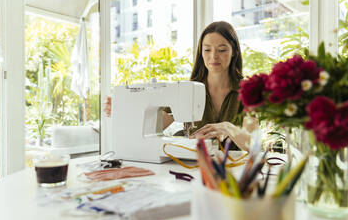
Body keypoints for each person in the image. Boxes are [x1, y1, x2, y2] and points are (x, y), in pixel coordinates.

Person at [104, 21, 258, 151]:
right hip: (195, 168)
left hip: (236, 172)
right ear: (201, 52)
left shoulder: (249, 92)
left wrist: (227, 128)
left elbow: (253, 143)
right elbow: (151, 126)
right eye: (207, 50)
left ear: (234, 52)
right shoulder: (188, 91)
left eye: (222, 50)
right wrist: (123, 111)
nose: (213, 56)